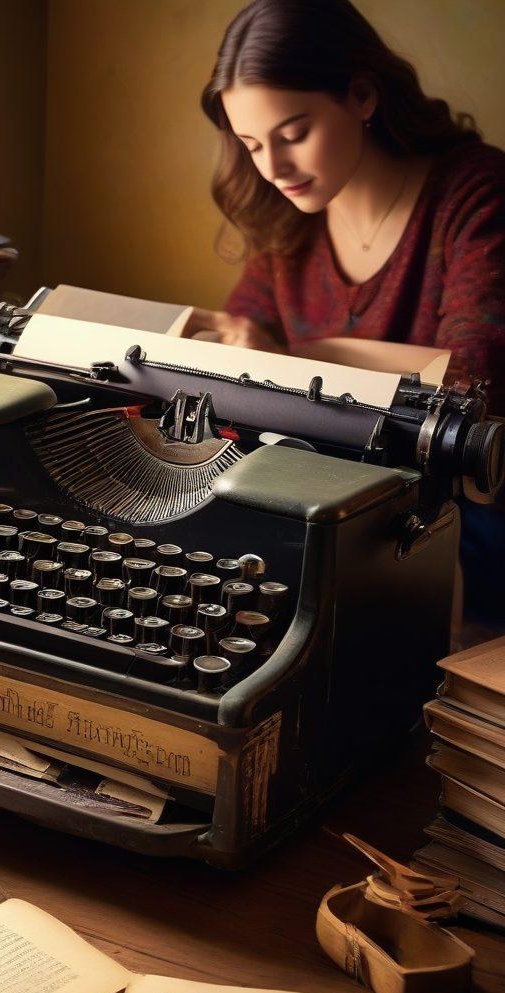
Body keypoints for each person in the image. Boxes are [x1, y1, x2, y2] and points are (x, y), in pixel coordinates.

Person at [193, 0, 505, 623]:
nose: (273, 168)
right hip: (323, 498)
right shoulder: (286, 215)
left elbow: (473, 388)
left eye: (293, 134)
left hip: (461, 514)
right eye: (252, 145)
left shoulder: (477, 193)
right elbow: (239, 352)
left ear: (363, 96)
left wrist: (295, 360)